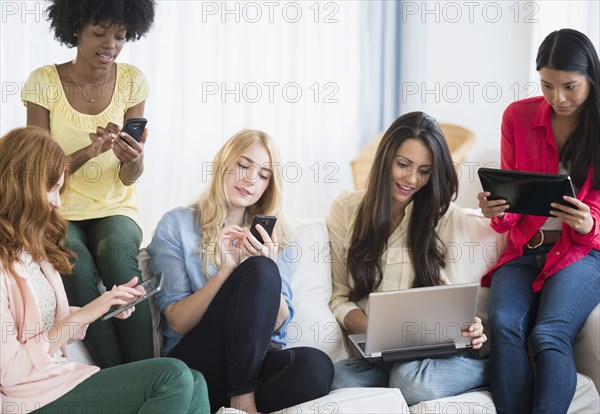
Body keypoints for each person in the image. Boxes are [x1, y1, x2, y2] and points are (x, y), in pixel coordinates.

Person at [0, 126, 210, 414]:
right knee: (171, 376)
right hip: (27, 399)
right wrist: (88, 311)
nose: (57, 202)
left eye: (59, 190)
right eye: (51, 188)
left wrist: (103, 308)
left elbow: (46, 330)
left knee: (196, 380)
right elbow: (10, 371)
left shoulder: (34, 252)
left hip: (58, 380)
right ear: (21, 185)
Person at [147, 129, 334, 414]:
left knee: (317, 366)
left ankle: (232, 399)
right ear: (224, 163)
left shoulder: (273, 235)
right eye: (243, 166)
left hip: (252, 357)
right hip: (199, 359)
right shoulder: (177, 225)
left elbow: (277, 326)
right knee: (258, 269)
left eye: (263, 175)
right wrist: (226, 271)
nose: (250, 179)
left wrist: (268, 267)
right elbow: (179, 323)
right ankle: (242, 399)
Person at [21, 0, 156, 368]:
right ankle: (118, 380)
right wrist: (87, 152)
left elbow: (129, 177)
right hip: (57, 209)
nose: (110, 44)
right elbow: (33, 174)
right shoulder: (44, 83)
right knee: (74, 266)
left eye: (121, 36)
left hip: (115, 207)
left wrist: (135, 158)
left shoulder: (131, 81)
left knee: (116, 254)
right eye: (99, 33)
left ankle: (149, 372)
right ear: (75, 28)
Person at [477, 28, 600, 414]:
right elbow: (514, 195)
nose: (557, 98)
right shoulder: (518, 116)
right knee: (503, 326)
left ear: (591, 79)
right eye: (547, 85)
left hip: (582, 251)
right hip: (525, 250)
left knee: (549, 333)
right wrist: (497, 208)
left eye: (569, 86)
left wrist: (588, 224)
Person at [328, 112, 489, 405]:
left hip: (430, 354)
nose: (412, 179)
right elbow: (340, 299)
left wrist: (469, 326)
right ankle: (401, 381)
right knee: (335, 378)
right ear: (385, 159)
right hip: (376, 352)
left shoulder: (446, 217)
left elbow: (453, 300)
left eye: (425, 171)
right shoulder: (346, 208)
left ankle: (490, 370)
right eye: (403, 165)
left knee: (409, 379)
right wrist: (378, 332)